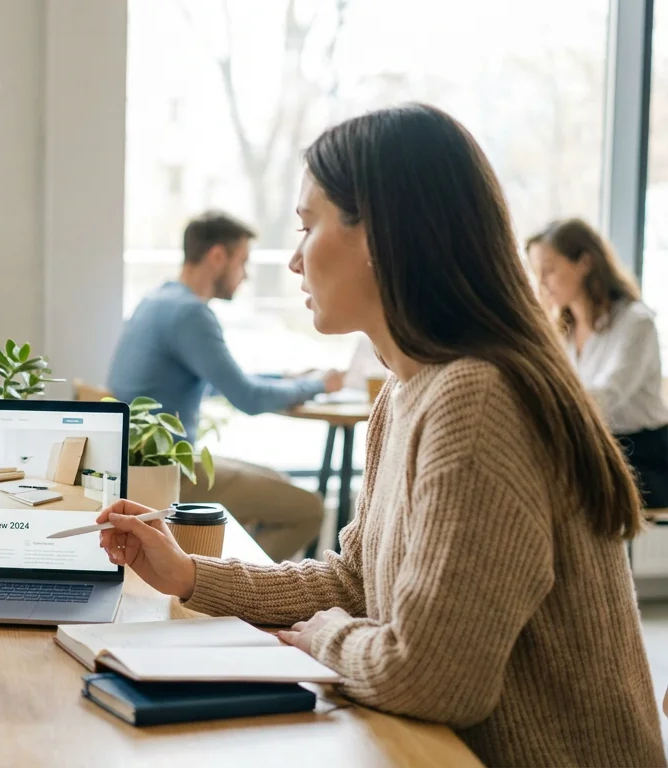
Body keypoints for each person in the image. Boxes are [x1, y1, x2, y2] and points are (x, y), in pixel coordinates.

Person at [95, 104, 664, 766]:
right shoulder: (407, 388)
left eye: (309, 227)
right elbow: (358, 579)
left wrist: (327, 636)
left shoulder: (476, 399)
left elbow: (432, 677)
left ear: (383, 235)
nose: (296, 261)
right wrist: (189, 573)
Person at [106, 211, 343, 560]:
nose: (245, 276)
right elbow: (247, 397)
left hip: (139, 465)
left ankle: (217, 568)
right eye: (243, 262)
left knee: (277, 479)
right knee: (308, 508)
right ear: (218, 257)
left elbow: (215, 383)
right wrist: (317, 385)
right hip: (167, 473)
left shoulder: (158, 301)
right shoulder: (190, 313)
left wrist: (287, 380)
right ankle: (232, 588)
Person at [527, 218, 668, 508]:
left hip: (643, 455)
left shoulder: (636, 323)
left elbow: (606, 396)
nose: (541, 282)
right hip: (595, 446)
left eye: (549, 270)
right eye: (536, 272)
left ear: (586, 262)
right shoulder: (562, 332)